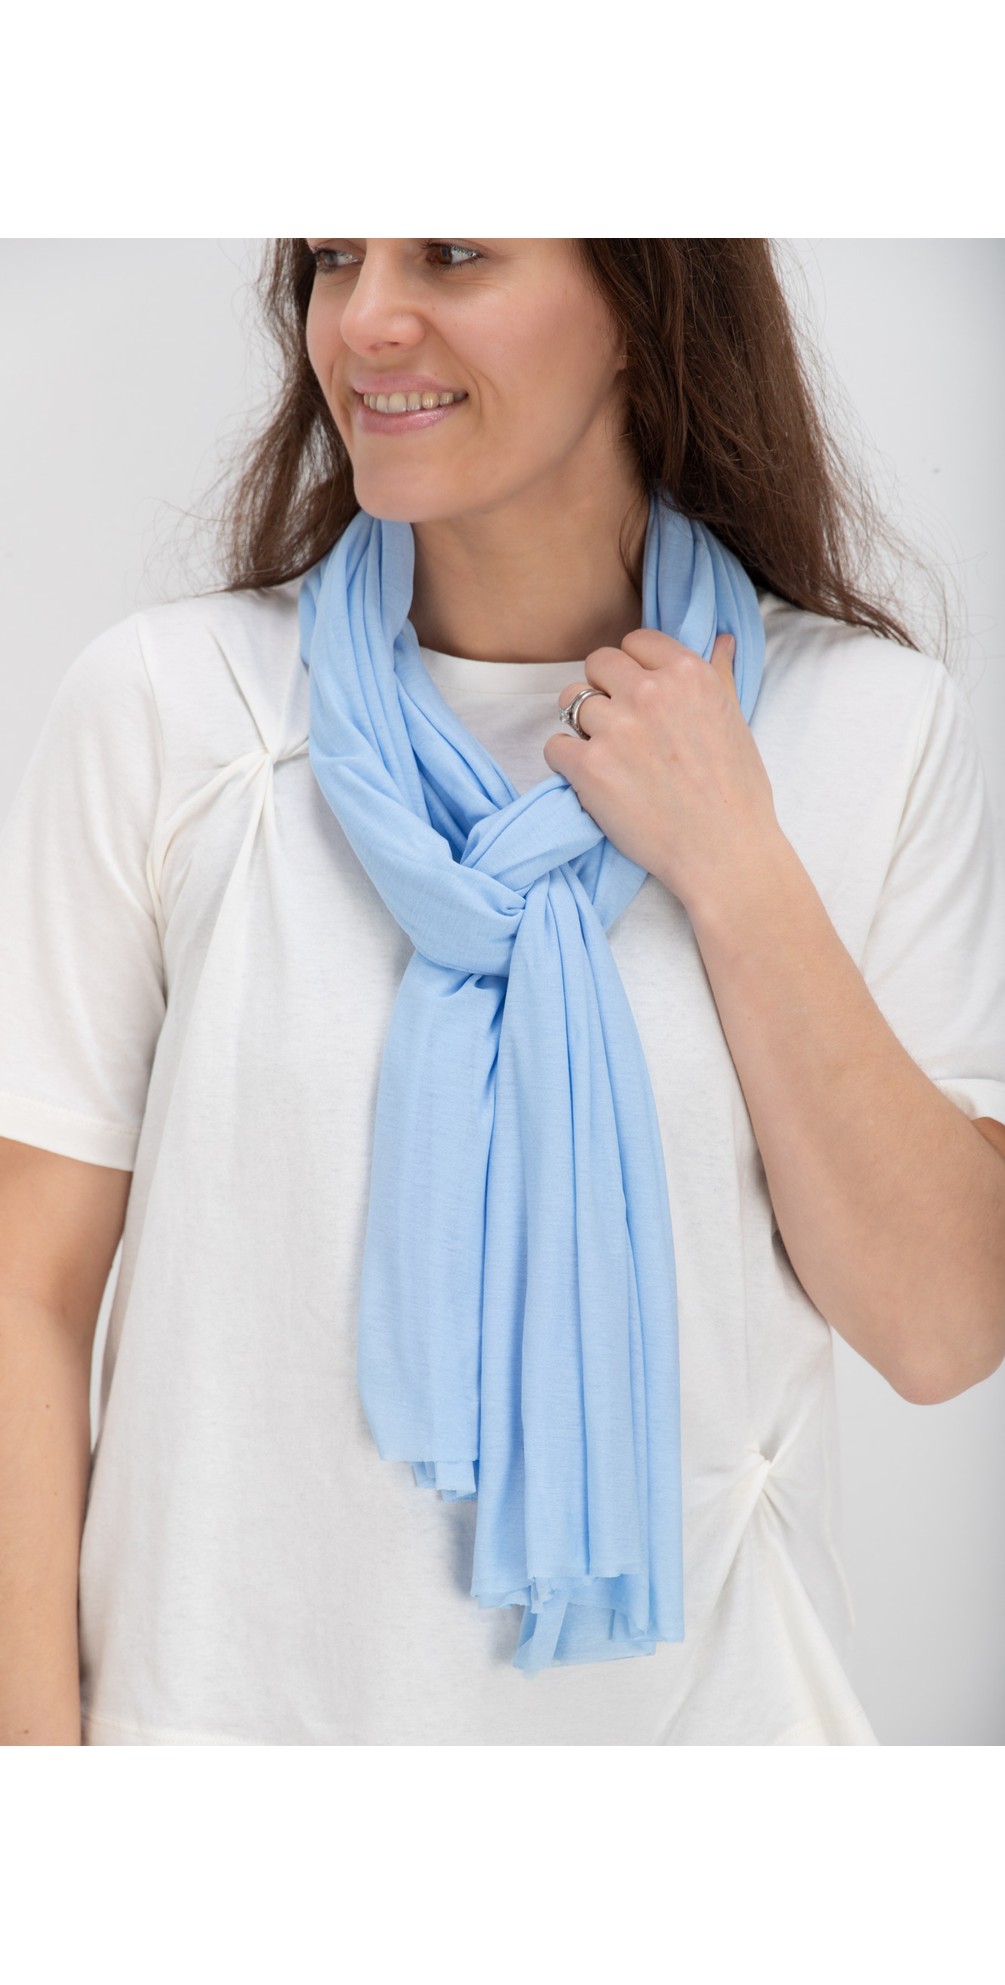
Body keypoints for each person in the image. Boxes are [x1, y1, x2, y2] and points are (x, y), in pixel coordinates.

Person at [1, 238, 1004, 1745]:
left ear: (642, 304)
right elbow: (25, 1288)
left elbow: (941, 1331)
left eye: (455, 253)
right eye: (335, 259)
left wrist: (734, 859)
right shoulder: (178, 713)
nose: (366, 318)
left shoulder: (865, 727)